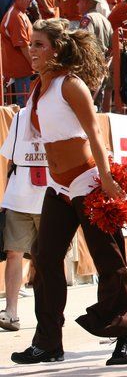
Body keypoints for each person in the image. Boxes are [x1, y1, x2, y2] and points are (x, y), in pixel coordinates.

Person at [10, 18, 127, 366]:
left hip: (86, 182)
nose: (32, 50)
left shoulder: (71, 85)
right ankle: (48, 342)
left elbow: (94, 134)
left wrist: (106, 178)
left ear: (56, 49)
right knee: (45, 257)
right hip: (58, 186)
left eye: (39, 44)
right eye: (31, 44)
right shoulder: (40, 87)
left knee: (108, 259)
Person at [0, 108, 49, 332]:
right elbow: (11, 158)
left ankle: (49, 315)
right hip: (19, 196)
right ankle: (11, 312)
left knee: (48, 259)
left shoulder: (63, 110)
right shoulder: (20, 116)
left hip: (50, 197)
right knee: (13, 252)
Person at [76, 0, 113, 110]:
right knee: (97, 102)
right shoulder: (105, 20)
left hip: (89, 63)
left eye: (80, 1)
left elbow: (84, 40)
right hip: (102, 63)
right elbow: (112, 45)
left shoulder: (88, 18)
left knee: (85, 101)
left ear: (87, 2)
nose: (77, 4)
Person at [1, 0, 36, 107]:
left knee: (25, 103)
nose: (31, 0)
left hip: (22, 69)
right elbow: (23, 46)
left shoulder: (20, 13)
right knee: (24, 105)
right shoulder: (15, 16)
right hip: (20, 70)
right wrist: (35, 65)